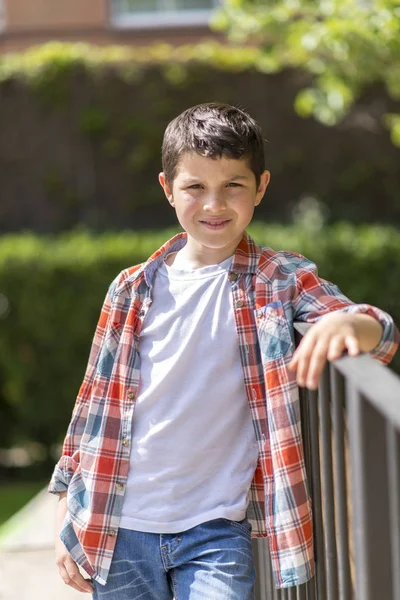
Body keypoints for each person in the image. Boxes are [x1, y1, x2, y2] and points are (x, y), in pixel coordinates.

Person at [48, 102, 399, 600]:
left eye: (233, 185)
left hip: (216, 530)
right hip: (119, 526)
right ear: (168, 189)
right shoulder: (130, 290)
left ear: (261, 187)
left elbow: (379, 334)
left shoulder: (280, 280)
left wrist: (346, 321)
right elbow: (92, 407)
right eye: (195, 187)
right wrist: (67, 512)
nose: (214, 204)